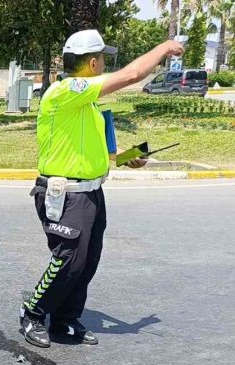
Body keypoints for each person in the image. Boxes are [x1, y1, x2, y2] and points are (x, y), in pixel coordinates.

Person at [19, 30, 184, 348]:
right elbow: (133, 74)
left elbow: (107, 155)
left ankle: (65, 320)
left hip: (92, 192)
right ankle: (33, 314)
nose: (106, 65)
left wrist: (130, 158)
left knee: (87, 261)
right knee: (68, 259)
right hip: (64, 193)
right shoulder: (63, 91)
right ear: (92, 63)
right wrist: (164, 47)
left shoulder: (91, 108)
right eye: (103, 59)